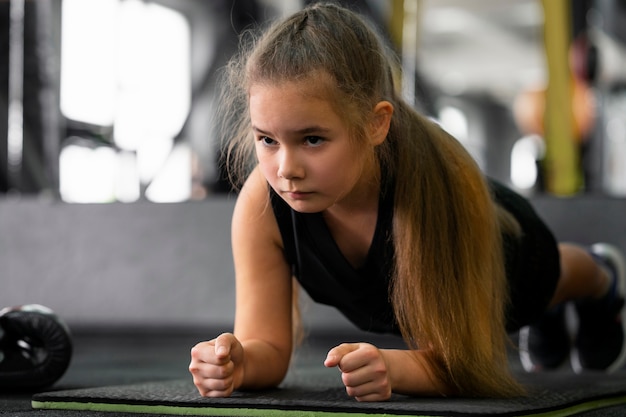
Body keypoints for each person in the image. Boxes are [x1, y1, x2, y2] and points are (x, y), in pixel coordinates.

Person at [188, 2, 626, 400]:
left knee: (545, 283)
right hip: (446, 281)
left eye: (313, 139)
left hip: (507, 248)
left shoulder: (435, 193)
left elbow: (467, 363)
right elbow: (268, 348)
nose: (286, 168)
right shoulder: (263, 204)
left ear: (376, 124)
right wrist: (239, 363)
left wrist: (395, 367)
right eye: (267, 139)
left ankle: (602, 274)